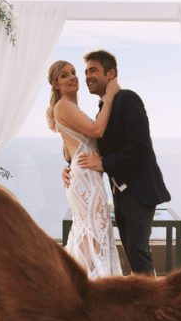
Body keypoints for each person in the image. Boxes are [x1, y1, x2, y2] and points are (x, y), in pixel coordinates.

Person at [62, 50, 170, 277]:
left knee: (138, 254)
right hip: (121, 194)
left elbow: (139, 145)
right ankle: (143, 306)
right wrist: (71, 167)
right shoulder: (105, 107)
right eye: (85, 72)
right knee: (132, 253)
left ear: (110, 74)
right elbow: (91, 146)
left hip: (139, 191)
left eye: (93, 70)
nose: (87, 76)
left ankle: (152, 310)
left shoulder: (127, 98)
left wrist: (103, 163)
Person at [48, 60, 122, 279]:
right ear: (55, 84)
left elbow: (70, 153)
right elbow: (97, 130)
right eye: (64, 75)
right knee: (92, 235)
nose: (72, 77)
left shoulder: (71, 108)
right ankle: (91, 288)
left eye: (73, 72)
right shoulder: (62, 106)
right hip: (87, 181)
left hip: (86, 177)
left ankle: (84, 288)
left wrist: (67, 168)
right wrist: (110, 95)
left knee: (92, 234)